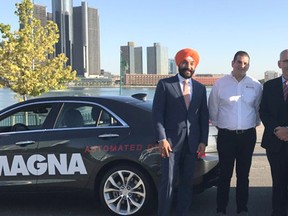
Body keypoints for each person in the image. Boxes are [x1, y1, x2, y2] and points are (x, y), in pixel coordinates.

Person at [152, 48, 209, 216]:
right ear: (178, 63)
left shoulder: (200, 88)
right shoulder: (165, 85)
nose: (188, 66)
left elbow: (203, 116)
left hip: (192, 144)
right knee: (167, 183)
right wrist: (162, 138)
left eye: (192, 63)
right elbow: (157, 114)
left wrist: (203, 141)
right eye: (185, 62)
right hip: (170, 144)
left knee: (187, 184)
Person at [208, 51, 262, 216]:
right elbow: (213, 108)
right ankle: (221, 208)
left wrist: (253, 123)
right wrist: (221, 126)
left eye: (245, 63)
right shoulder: (220, 84)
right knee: (224, 174)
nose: (242, 66)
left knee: (243, 174)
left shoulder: (256, 85)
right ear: (232, 63)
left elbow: (258, 109)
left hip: (247, 136)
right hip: (226, 136)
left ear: (249, 65)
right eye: (239, 62)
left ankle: (242, 208)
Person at [259, 49, 288, 216]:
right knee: (278, 180)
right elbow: (264, 111)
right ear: (279, 64)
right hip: (274, 141)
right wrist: (278, 130)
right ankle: (277, 211)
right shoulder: (269, 86)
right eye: (286, 61)